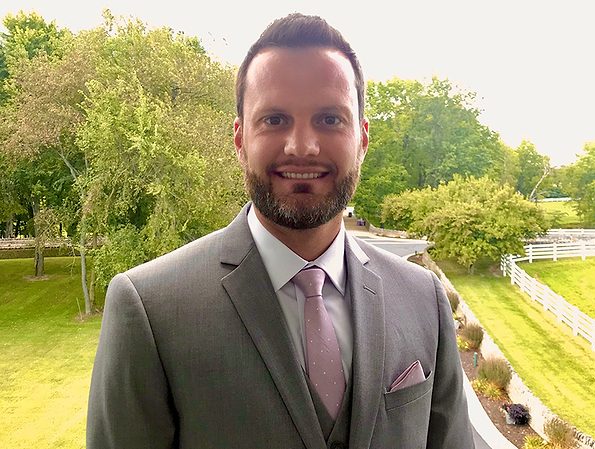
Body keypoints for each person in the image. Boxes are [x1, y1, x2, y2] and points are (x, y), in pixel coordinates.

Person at [87, 13, 474, 449]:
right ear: (240, 139)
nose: (302, 147)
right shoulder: (149, 310)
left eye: (330, 119)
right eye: (274, 120)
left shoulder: (423, 298)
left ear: (363, 139)